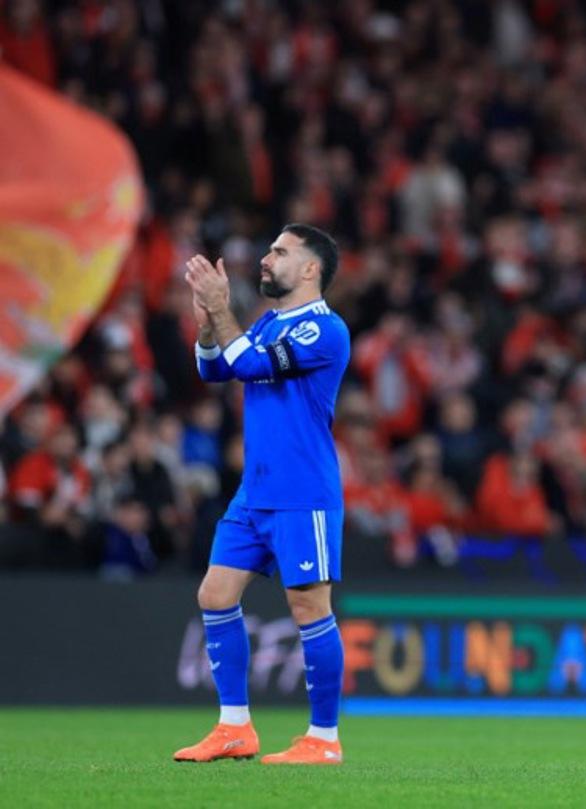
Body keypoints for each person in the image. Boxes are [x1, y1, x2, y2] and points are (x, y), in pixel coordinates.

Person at [173, 224, 351, 765]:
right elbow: (215, 368)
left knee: (308, 606)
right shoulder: (272, 321)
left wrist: (223, 311)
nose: (267, 259)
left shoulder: (326, 329)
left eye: (280, 252)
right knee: (215, 595)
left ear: (311, 268)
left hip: (303, 491)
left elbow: (250, 364)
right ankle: (234, 729)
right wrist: (209, 326)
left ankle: (323, 739)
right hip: (255, 493)